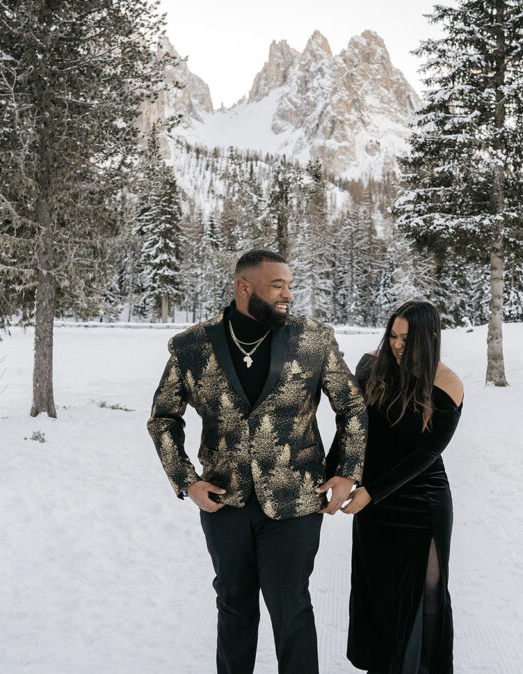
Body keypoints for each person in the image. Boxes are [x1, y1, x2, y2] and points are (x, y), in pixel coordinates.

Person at [147, 248, 367, 674]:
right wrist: (186, 480)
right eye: (277, 285)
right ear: (244, 287)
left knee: (291, 608)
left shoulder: (313, 339)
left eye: (290, 285)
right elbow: (163, 419)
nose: (288, 294)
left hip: (295, 502)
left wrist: (347, 471)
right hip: (223, 501)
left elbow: (353, 407)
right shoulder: (192, 346)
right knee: (234, 607)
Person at [338, 301, 464, 674]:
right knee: (379, 598)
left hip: (421, 503)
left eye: (406, 338)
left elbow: (426, 453)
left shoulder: (447, 383)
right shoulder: (371, 367)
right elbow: (354, 427)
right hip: (375, 507)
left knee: (426, 599)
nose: (396, 344)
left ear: (430, 337)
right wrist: (343, 475)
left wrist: (371, 491)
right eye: (393, 335)